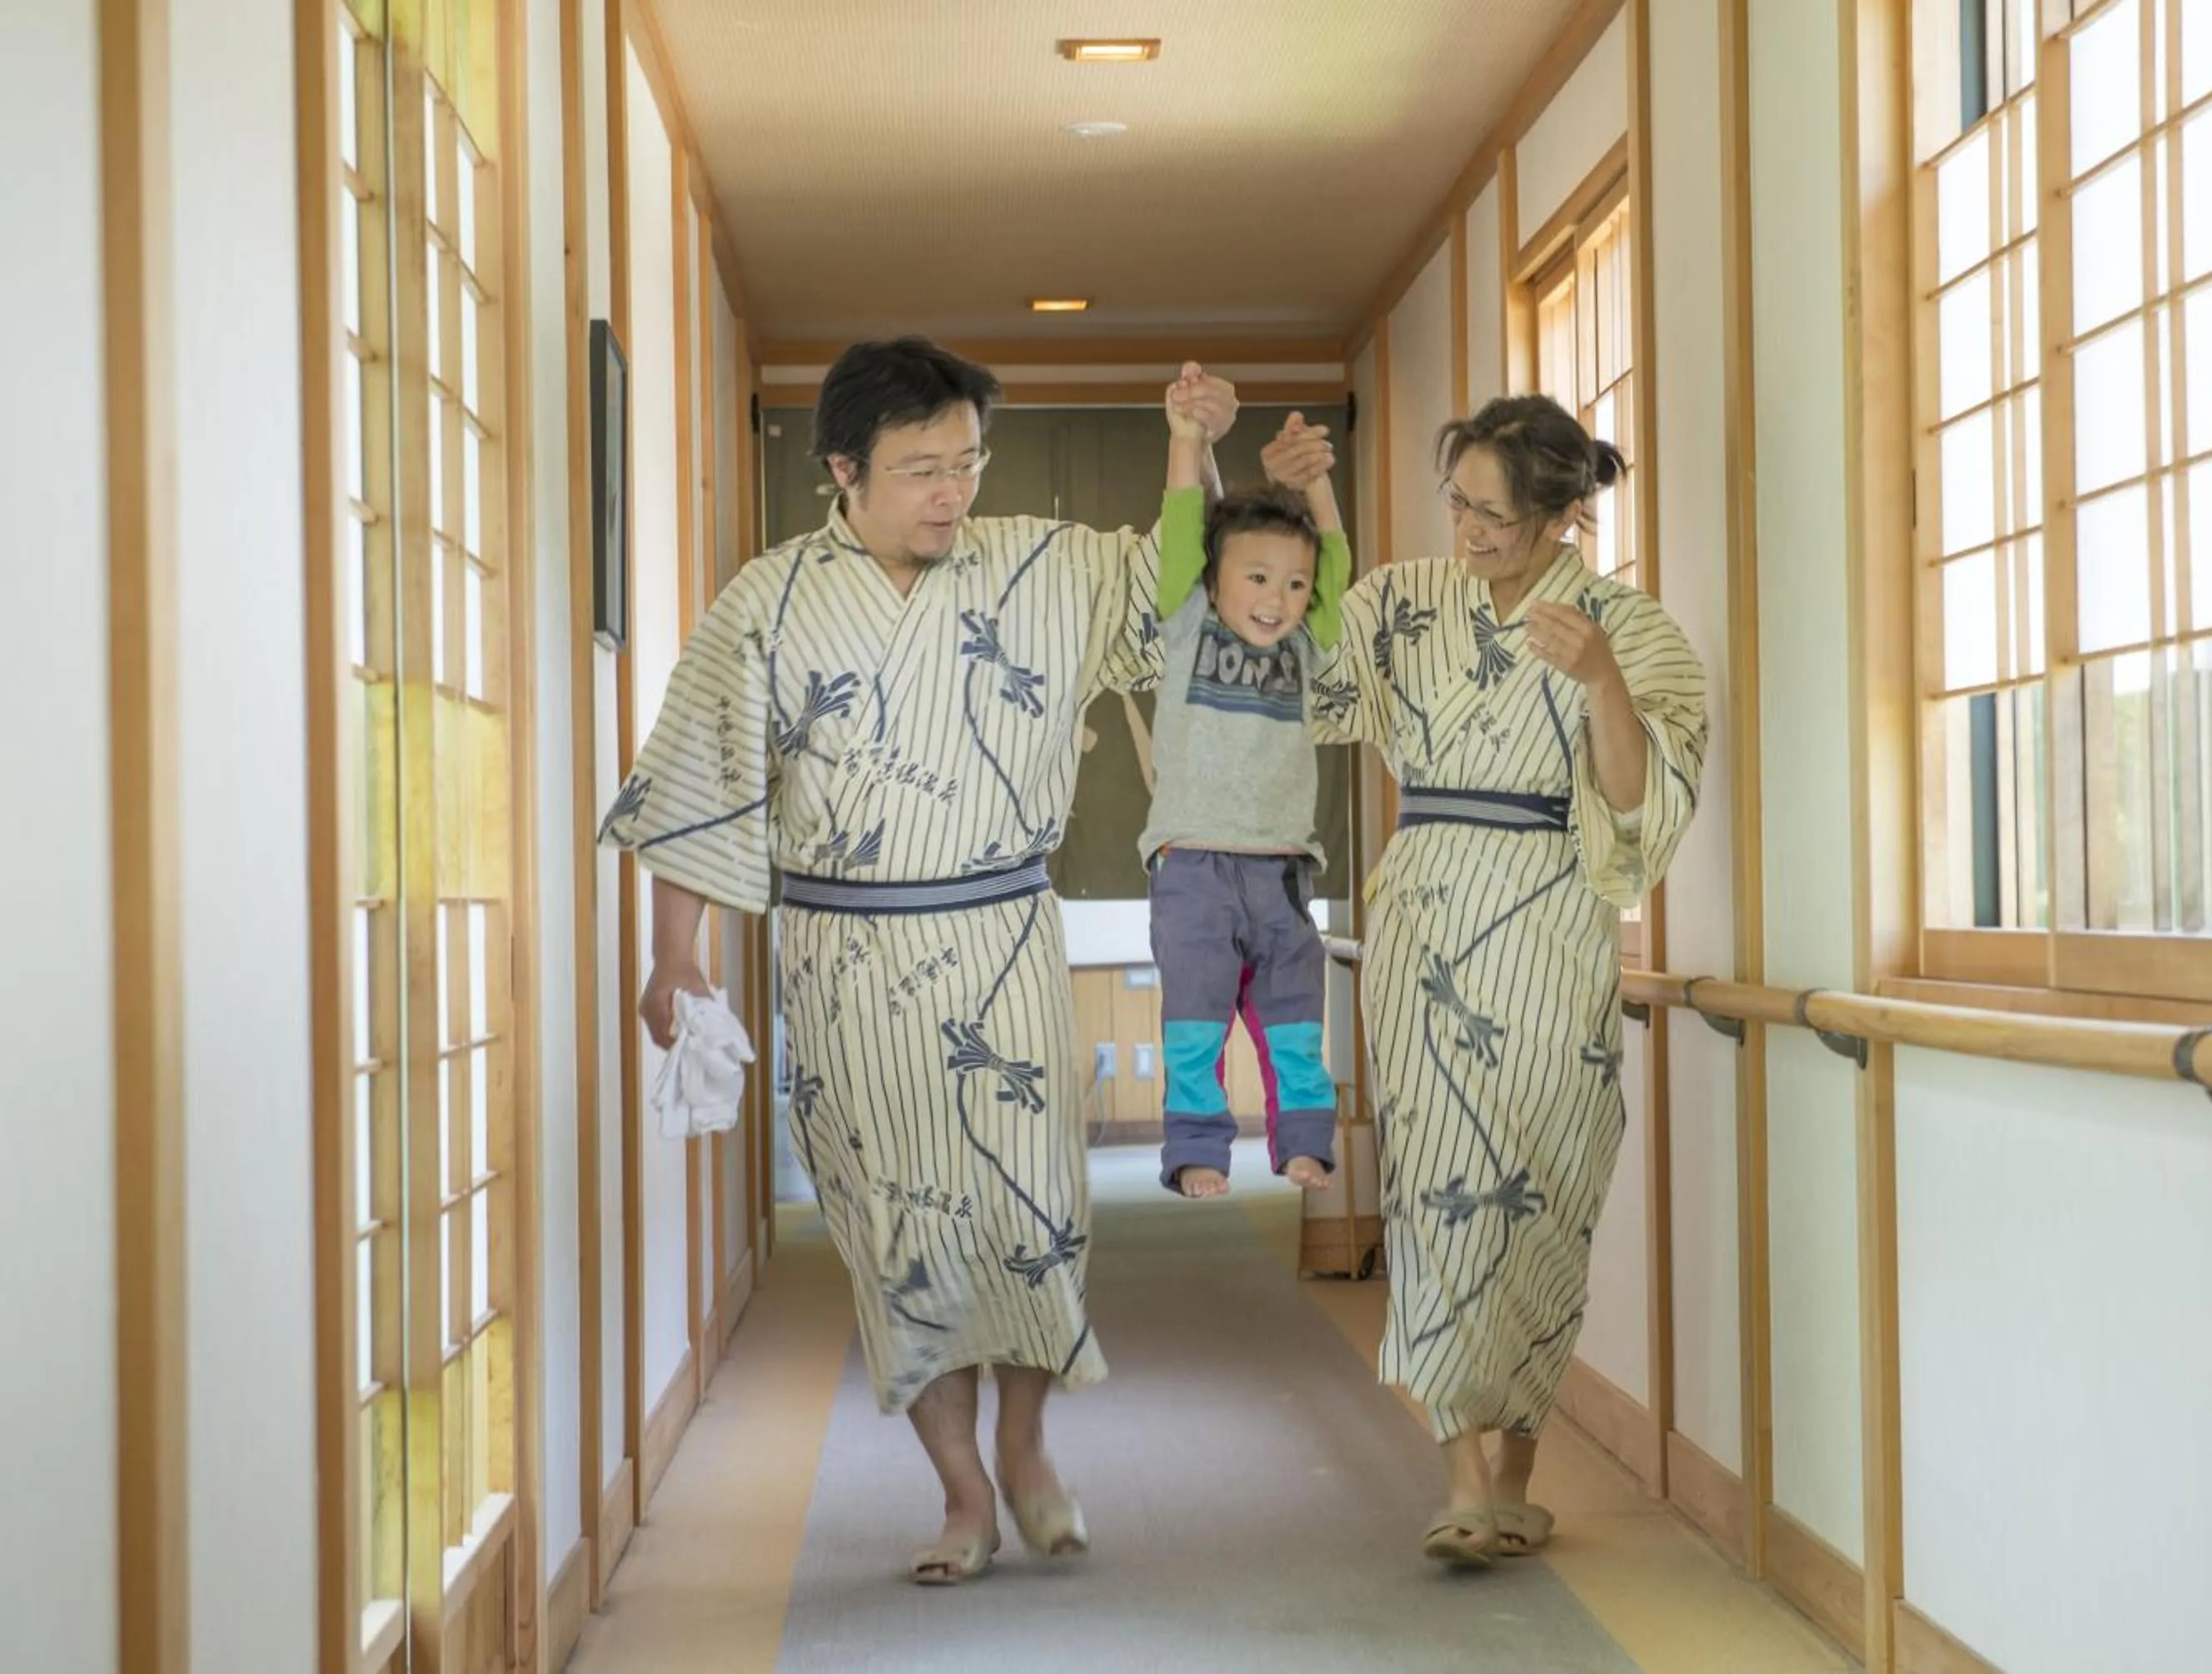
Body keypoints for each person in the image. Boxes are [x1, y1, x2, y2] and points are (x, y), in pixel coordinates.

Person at [597, 336, 1239, 1586]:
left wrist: (1192, 449)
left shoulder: (1042, 564)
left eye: (967, 464)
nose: (953, 492)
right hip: (843, 961)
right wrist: (673, 955)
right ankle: (960, 1496)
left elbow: (1189, 588)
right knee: (904, 1245)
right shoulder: (770, 603)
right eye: (920, 470)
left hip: (1001, 938)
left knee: (1032, 1217)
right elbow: (701, 781)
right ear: (843, 469)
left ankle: (1029, 1444)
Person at [1278, 394, 1706, 1567]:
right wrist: (1296, 511)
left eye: (1495, 516)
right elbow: (1307, 677)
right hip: (1426, 918)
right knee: (1441, 1185)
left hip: (1556, 931)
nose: (1466, 530)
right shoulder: (1407, 601)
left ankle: (1516, 1465)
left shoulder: (1635, 629)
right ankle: (1463, 1472)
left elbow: (1638, 812)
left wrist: (1605, 680)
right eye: (1456, 503)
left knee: (1546, 1200)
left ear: (1566, 515)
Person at [1141, 391, 1353, 1198]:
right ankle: (1194, 1149)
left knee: (1296, 1019)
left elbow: (1334, 560)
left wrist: (1320, 487)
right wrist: (1186, 440)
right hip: (1191, 862)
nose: (1278, 599)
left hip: (1282, 869)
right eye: (1258, 577)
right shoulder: (1187, 621)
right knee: (1195, 1022)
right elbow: (1182, 519)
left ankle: (1303, 1142)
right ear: (1214, 577)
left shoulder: (1307, 647)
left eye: (1294, 585)